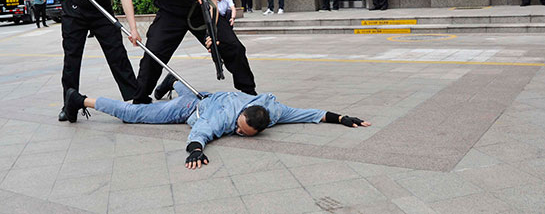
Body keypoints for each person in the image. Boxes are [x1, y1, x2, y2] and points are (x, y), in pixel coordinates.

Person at [63, 78, 371, 169]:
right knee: (133, 114)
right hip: (193, 108)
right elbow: (201, 132)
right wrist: (196, 150)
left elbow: (310, 113)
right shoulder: (223, 118)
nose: (236, 132)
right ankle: (80, 99)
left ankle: (173, 82)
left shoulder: (274, 110)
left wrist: (342, 118)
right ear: (239, 118)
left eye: (243, 134)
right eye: (239, 128)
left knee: (193, 92)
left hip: (208, 96)